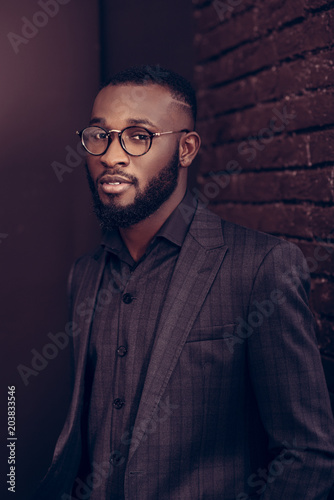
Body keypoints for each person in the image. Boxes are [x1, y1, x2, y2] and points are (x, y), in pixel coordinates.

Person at [33, 65, 334, 500]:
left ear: (187, 149)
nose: (111, 155)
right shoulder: (84, 274)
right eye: (99, 135)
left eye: (139, 136)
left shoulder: (260, 267)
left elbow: (307, 454)